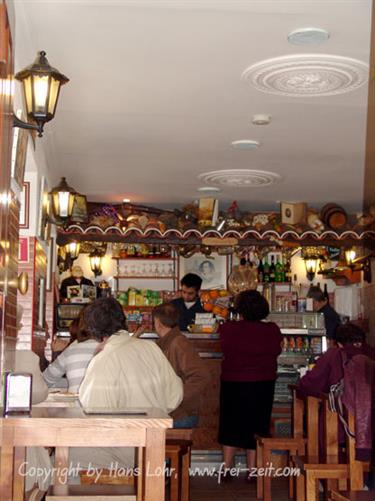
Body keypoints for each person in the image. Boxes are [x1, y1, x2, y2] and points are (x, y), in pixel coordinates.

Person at [73, 297, 183, 471]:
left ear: (93, 331)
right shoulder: (151, 348)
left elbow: (93, 410)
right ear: (122, 320)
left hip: (124, 447)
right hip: (154, 444)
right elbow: (175, 395)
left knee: (65, 455)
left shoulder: (104, 359)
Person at [218, 290, 282, 481]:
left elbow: (224, 346)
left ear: (239, 309)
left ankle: (227, 468)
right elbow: (277, 350)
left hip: (233, 381)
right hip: (263, 382)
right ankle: (252, 471)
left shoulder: (228, 328)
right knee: (257, 425)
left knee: (230, 424)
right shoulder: (272, 329)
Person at [298, 323, 375, 456]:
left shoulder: (334, 355)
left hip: (341, 430)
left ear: (338, 343)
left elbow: (310, 384)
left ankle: (329, 472)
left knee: (327, 412)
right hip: (370, 429)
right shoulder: (371, 355)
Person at [151, 302, 211, 428]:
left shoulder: (178, 343)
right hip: (175, 413)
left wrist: (176, 398)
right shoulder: (169, 342)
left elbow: (201, 376)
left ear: (158, 323)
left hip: (180, 415)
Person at [43, 313, 99, 392]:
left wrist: (58, 353)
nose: (48, 335)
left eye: (72, 335)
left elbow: (45, 381)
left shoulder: (73, 349)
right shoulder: (109, 347)